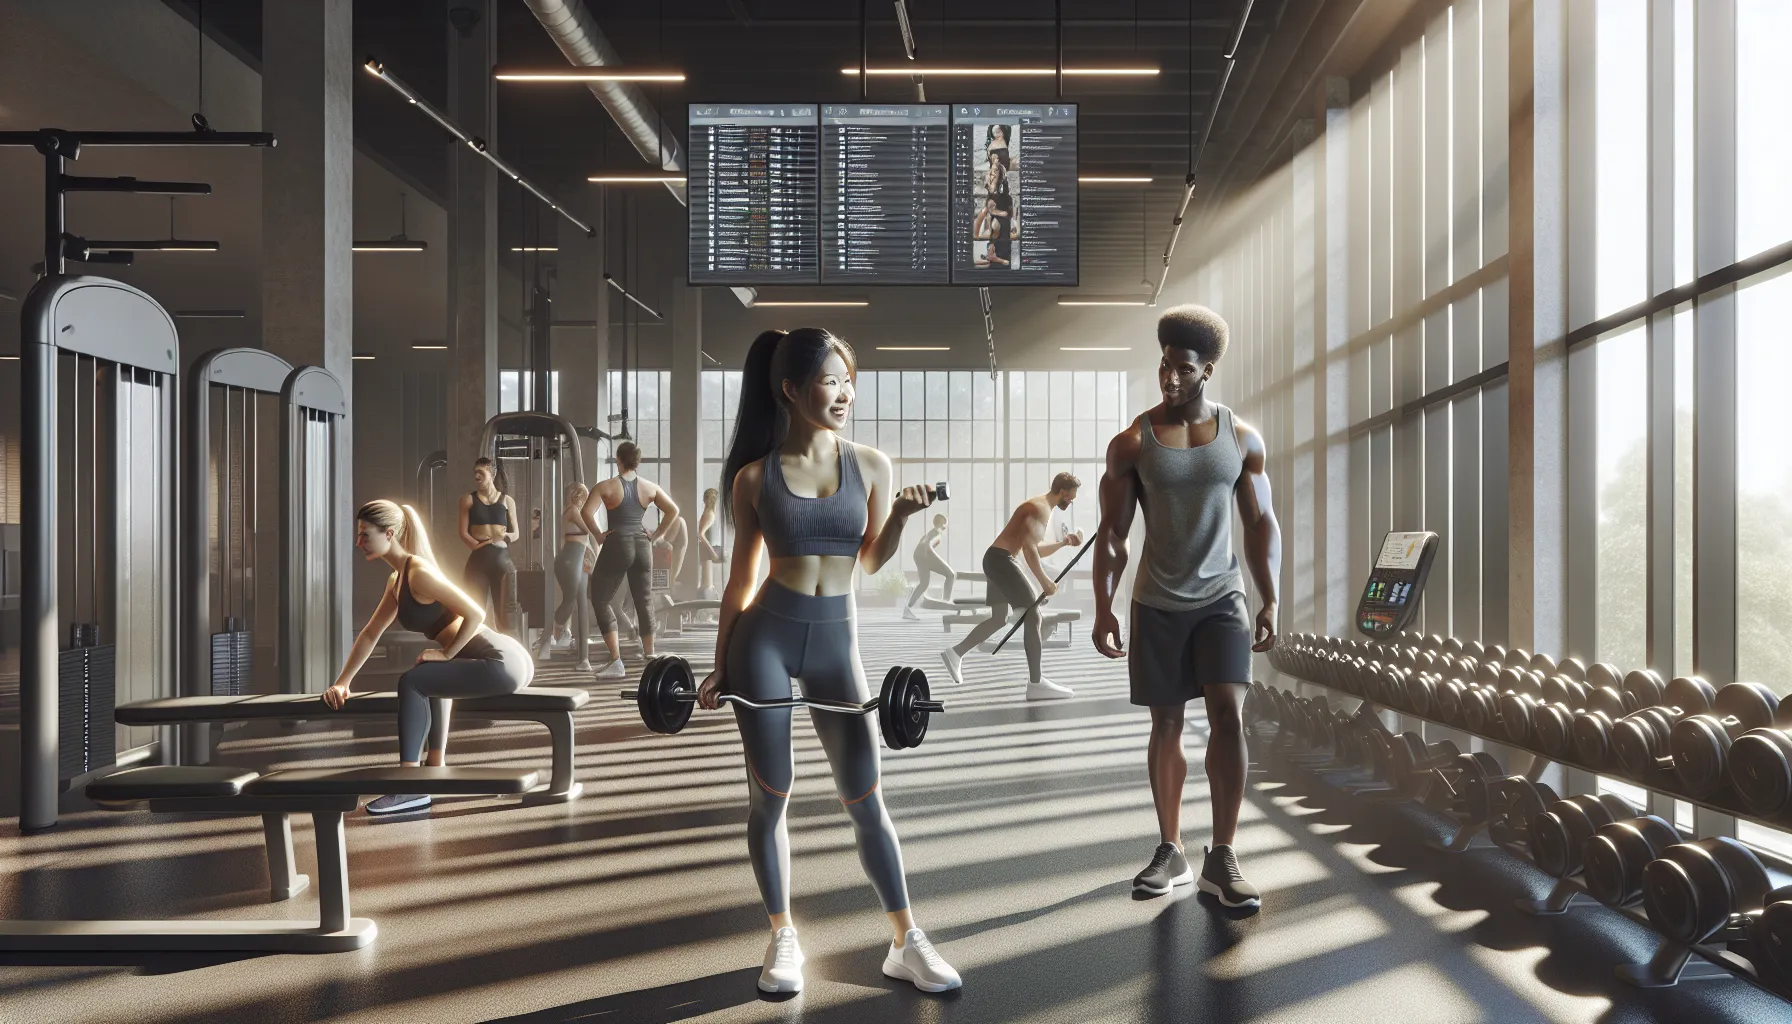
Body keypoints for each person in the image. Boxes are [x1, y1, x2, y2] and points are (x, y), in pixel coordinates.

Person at [701, 327, 960, 996]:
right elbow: (740, 581)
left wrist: (899, 519)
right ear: (790, 389)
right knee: (772, 796)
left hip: (836, 641)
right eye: (830, 380)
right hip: (765, 637)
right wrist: (721, 662)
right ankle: (783, 935)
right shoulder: (754, 480)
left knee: (866, 797)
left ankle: (906, 939)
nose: (845, 393)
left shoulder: (870, 464)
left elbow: (869, 560)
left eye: (849, 380)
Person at [1091, 304, 1280, 911]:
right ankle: (1170, 847)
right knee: (1166, 723)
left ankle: (1221, 856)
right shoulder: (1132, 442)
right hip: (1157, 602)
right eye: (1164, 366)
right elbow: (1113, 537)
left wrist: (1270, 596)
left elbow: (1261, 524)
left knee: (1228, 716)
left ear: (1208, 371)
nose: (1169, 378)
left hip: (1222, 598)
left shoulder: (1241, 439)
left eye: (1182, 369)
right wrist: (1103, 607)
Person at [324, 500, 534, 816]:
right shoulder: (398, 580)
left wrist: (447, 652)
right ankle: (434, 766)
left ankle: (410, 786)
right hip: (499, 658)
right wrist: (342, 683)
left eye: (365, 535)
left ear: (389, 533)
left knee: (413, 681)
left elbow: (475, 612)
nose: (359, 542)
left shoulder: (418, 573)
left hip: (501, 660)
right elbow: (371, 633)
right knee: (430, 676)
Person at [938, 475, 1082, 699]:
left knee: (998, 618)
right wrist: (1045, 583)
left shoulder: (1042, 507)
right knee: (1034, 614)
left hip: (996, 559)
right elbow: (1029, 551)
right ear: (1063, 491)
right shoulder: (1040, 508)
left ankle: (955, 653)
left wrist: (1063, 543)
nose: (1072, 500)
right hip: (1001, 560)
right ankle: (1036, 683)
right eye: (1072, 496)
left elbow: (1035, 547)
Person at [581, 441, 680, 680]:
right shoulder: (649, 487)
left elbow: (585, 512)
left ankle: (616, 661)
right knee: (644, 600)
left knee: (600, 598)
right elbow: (673, 510)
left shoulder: (606, 486)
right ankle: (650, 656)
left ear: (618, 459)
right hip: (642, 546)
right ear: (637, 461)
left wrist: (597, 535)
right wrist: (656, 536)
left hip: (619, 543)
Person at [457, 457, 520, 632]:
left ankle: (506, 653)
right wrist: (476, 546)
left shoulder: (508, 501)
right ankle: (477, 650)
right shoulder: (468, 500)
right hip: (478, 562)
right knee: (475, 613)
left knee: (505, 615)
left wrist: (504, 537)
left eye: (481, 472)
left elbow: (516, 534)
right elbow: (462, 533)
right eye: (475, 472)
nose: (476, 476)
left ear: (491, 474)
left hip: (502, 561)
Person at [544, 482, 595, 652]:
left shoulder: (575, 511)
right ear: (577, 496)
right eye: (583, 496)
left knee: (576, 599)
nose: (585, 500)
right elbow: (588, 529)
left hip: (577, 557)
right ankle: (552, 633)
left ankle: (568, 634)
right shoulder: (572, 510)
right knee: (571, 597)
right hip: (570, 557)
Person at [901, 513, 956, 620]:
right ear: (942, 524)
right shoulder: (937, 532)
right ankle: (945, 603)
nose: (946, 527)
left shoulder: (930, 532)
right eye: (945, 525)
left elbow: (923, 542)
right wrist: (930, 552)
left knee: (924, 583)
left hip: (918, 555)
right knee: (951, 575)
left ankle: (907, 609)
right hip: (924, 555)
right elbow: (927, 543)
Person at [697, 487, 726, 599]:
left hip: (706, 551)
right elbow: (701, 534)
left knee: (707, 584)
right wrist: (713, 552)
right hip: (706, 552)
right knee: (707, 585)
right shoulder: (710, 514)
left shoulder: (708, 513)